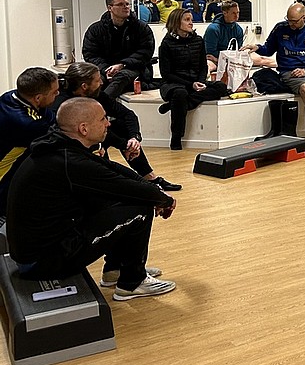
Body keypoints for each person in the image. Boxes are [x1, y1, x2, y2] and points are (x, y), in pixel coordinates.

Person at [5, 97, 177, 301]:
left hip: (37, 253)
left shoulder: (60, 145)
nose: (108, 123)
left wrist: (154, 190)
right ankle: (132, 283)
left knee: (114, 200)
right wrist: (163, 199)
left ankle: (115, 270)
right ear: (84, 129)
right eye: (103, 119)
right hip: (41, 262)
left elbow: (113, 169)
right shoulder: (69, 161)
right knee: (140, 207)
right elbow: (124, 186)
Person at [52, 62, 180, 191]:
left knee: (121, 127)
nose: (102, 83)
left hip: (94, 140)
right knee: (111, 174)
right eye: (97, 80)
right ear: (84, 86)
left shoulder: (96, 95)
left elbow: (127, 114)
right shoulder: (63, 104)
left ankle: (149, 177)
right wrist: (123, 145)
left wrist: (134, 138)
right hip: (73, 148)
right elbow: (87, 132)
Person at [244, 3, 305, 146]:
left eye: (294, 21)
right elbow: (268, 49)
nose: (290, 24)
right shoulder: (280, 28)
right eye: (288, 20)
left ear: (304, 18)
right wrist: (257, 47)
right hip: (289, 70)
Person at [158, 9, 230, 150]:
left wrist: (201, 81)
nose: (191, 23)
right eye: (187, 20)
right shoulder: (166, 44)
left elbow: (203, 66)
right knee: (180, 94)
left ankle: (177, 104)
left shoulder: (198, 40)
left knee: (221, 87)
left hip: (195, 82)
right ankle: (176, 137)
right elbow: (166, 74)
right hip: (175, 84)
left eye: (191, 19)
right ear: (176, 22)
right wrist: (191, 84)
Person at [0, 68, 59, 211]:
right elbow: (56, 132)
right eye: (54, 92)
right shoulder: (27, 124)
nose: (58, 94)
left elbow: (49, 117)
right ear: (37, 98)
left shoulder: (10, 96)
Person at [82, 0, 156, 98]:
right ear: (110, 8)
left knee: (122, 77)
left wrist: (122, 65)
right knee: (94, 81)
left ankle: (102, 105)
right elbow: (90, 54)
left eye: (127, 4)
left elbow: (145, 52)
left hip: (133, 68)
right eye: (120, 4)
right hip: (105, 69)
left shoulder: (141, 28)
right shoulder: (95, 29)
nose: (126, 7)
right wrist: (106, 69)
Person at [204, 0, 245, 68]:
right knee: (208, 66)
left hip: (231, 59)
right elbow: (210, 53)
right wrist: (219, 60)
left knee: (258, 58)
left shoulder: (239, 29)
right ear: (225, 13)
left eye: (238, 12)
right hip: (214, 60)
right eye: (233, 13)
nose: (236, 16)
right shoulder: (213, 29)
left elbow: (238, 50)